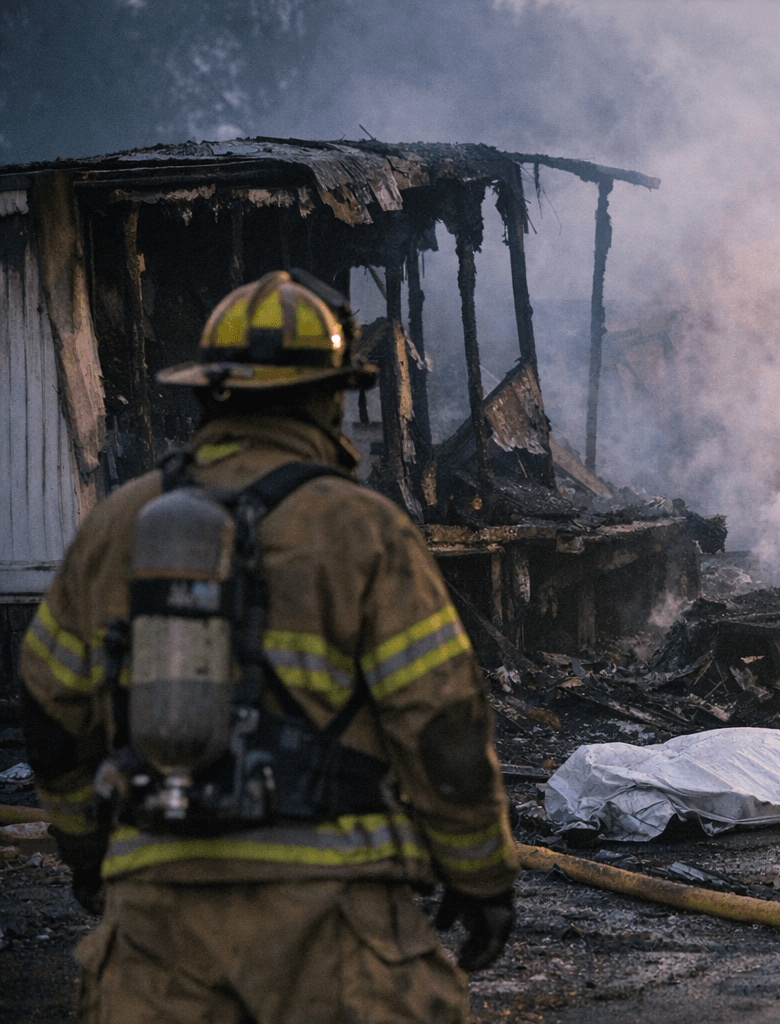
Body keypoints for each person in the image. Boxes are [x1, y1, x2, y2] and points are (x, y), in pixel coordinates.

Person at [21, 270, 518, 1023]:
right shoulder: (362, 528)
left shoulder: (117, 523)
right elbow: (442, 722)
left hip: (155, 930)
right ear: (330, 397)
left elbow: (50, 714)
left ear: (209, 396)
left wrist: (91, 855)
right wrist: (481, 878)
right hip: (335, 926)